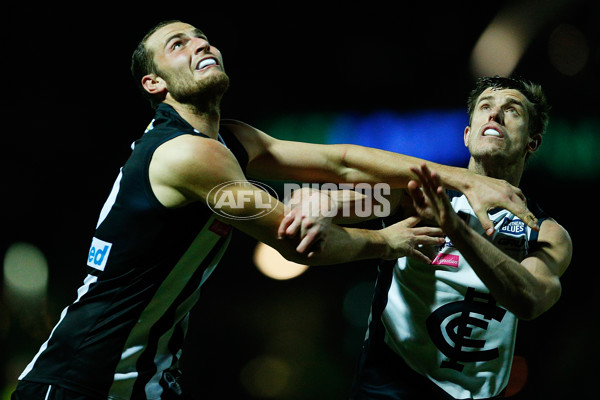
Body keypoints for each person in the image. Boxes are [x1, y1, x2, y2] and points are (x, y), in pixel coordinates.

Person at [11, 19, 540, 400]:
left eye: (203, 37)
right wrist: (387, 241)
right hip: (85, 375)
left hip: (147, 373)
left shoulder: (233, 141)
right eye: (178, 44)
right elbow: (293, 233)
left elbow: (339, 160)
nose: (201, 44)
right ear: (155, 84)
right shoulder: (190, 156)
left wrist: (460, 180)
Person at [332, 76, 571, 399]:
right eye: (485, 107)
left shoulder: (546, 232)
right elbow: (324, 203)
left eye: (512, 110)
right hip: (389, 387)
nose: (495, 115)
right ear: (467, 135)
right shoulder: (412, 195)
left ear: (533, 142)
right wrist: (314, 211)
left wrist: (455, 229)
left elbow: (529, 300)